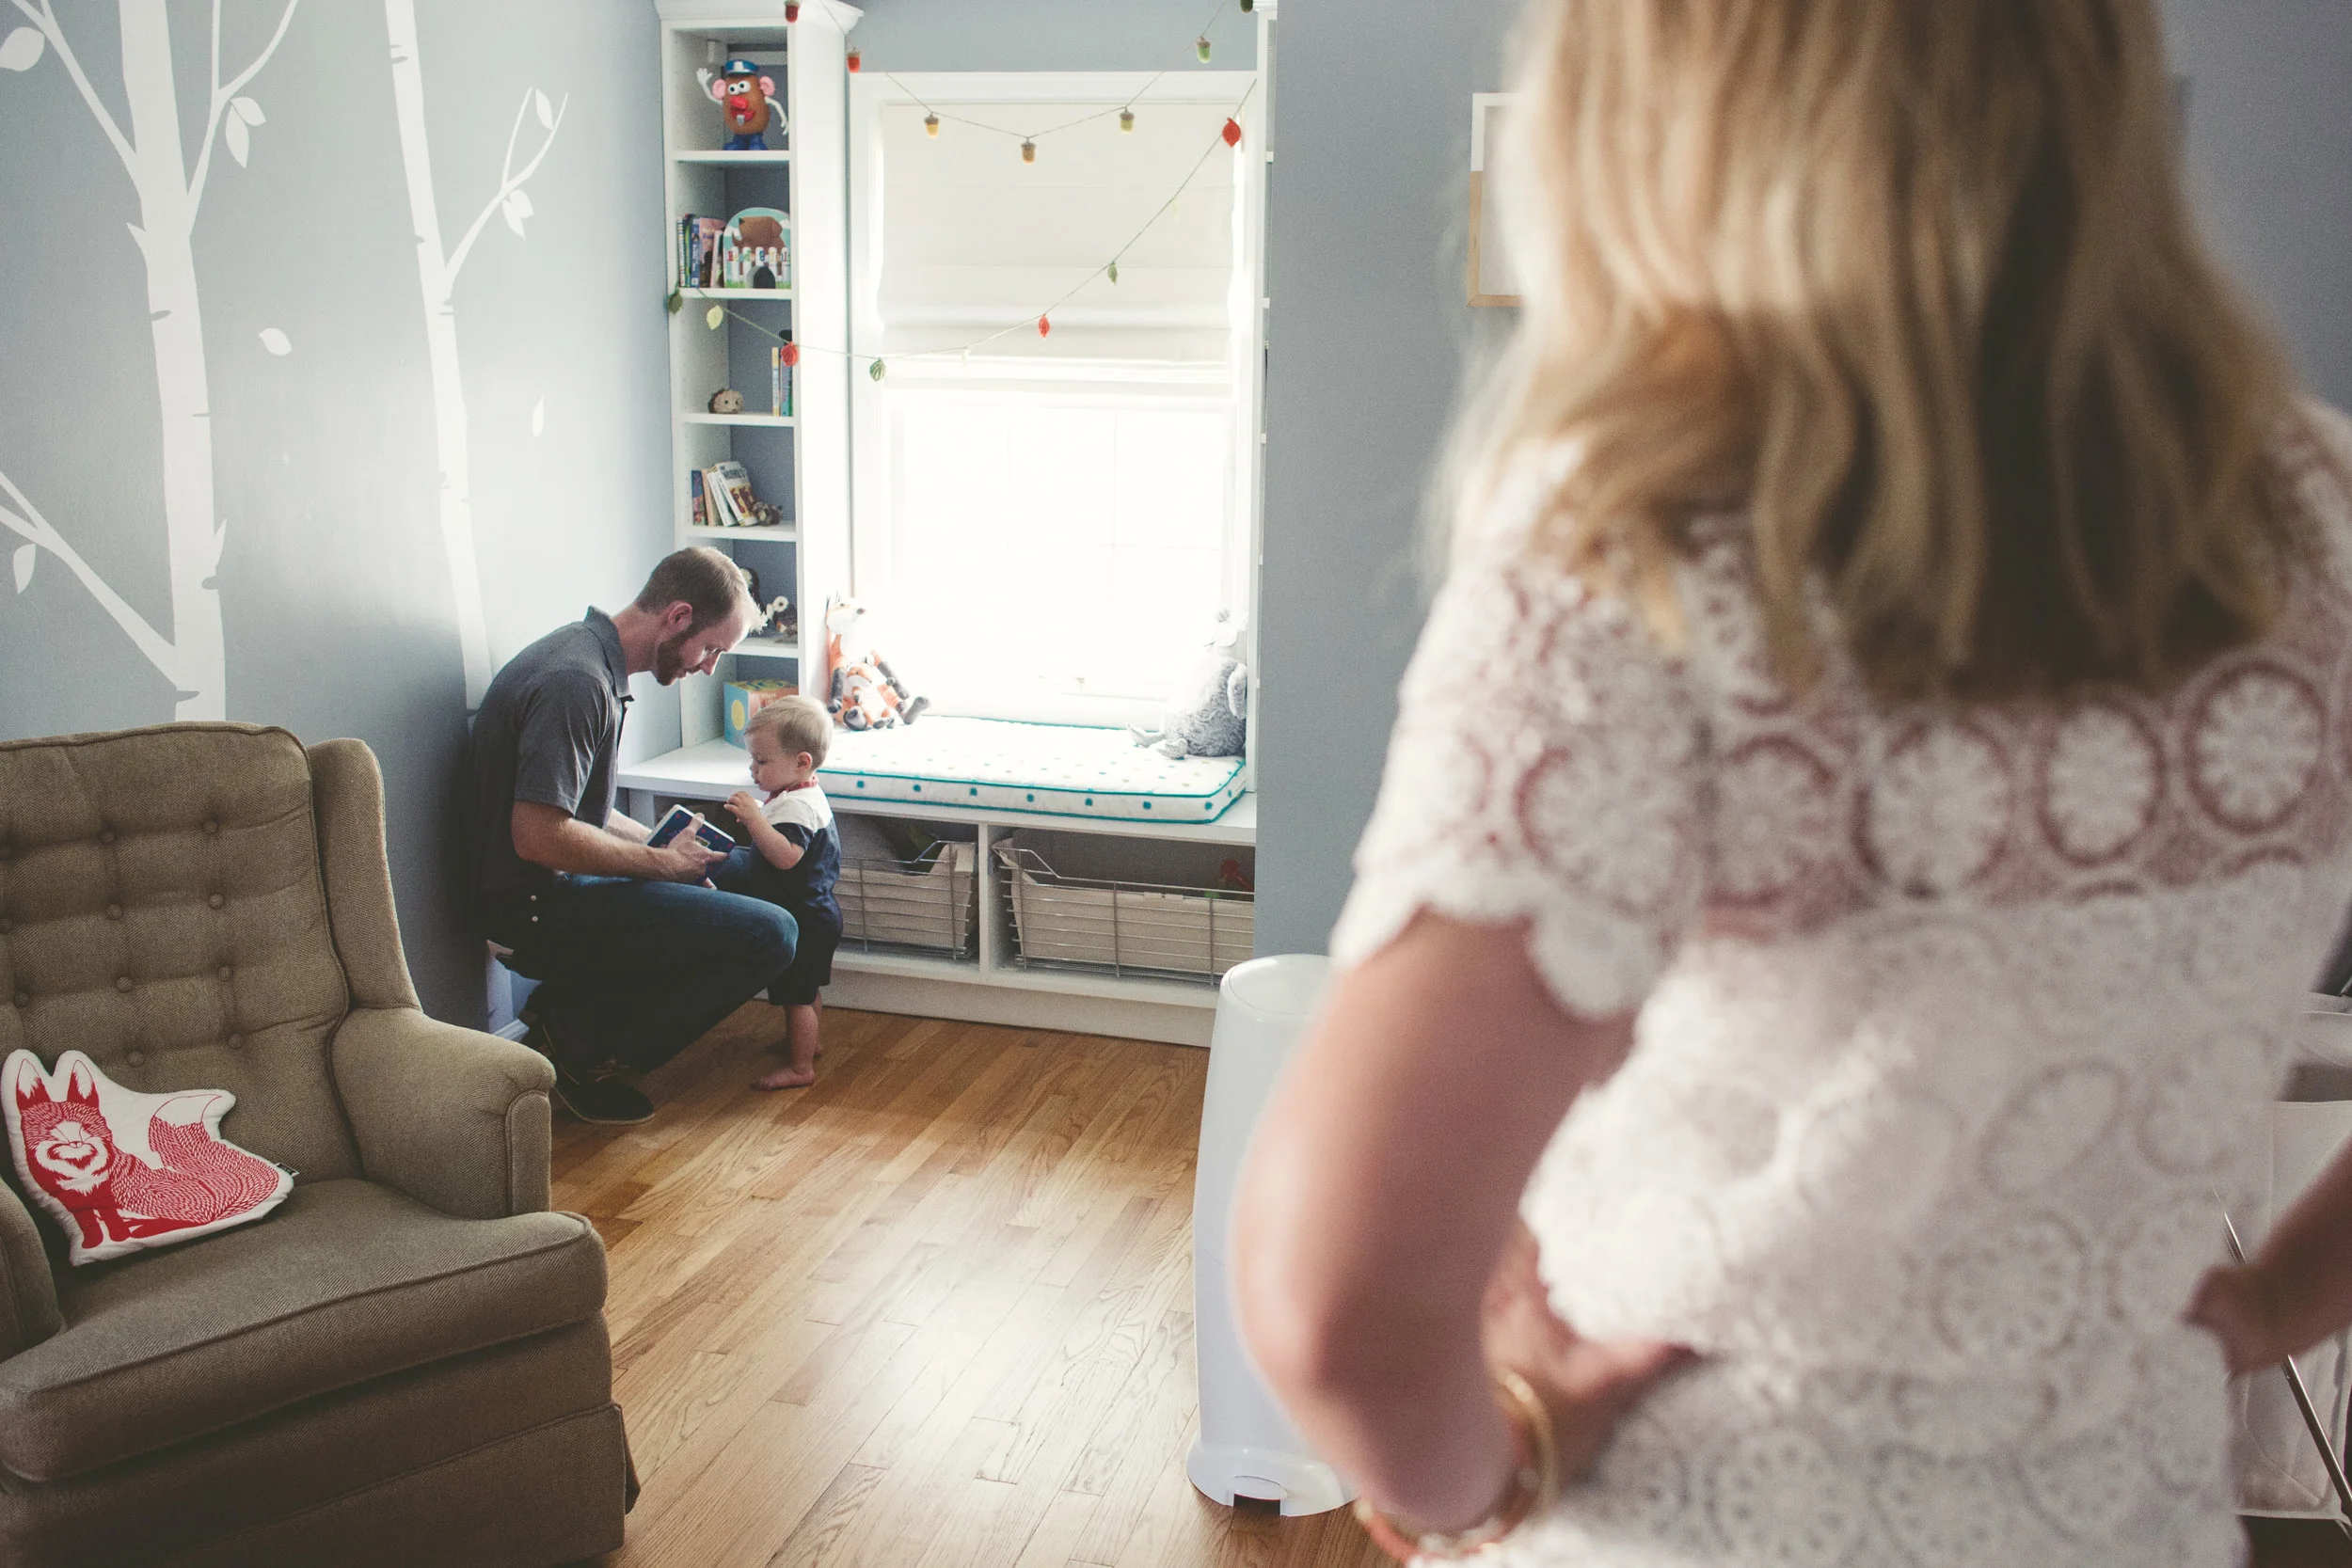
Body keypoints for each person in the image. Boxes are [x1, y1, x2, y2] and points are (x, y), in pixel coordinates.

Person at [1232, 1, 2352, 1564]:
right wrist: (2280, 1300)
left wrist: (1490, 1466)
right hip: (2125, 1520)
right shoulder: (2319, 517)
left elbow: (1333, 1298)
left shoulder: (1659, 539)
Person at [465, 547, 797, 1126]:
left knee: (742, 867)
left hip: (560, 881)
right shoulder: (576, 682)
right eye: (712, 648)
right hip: (532, 907)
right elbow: (539, 836)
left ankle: (575, 1010)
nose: (708, 666)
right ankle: (583, 1044)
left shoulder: (587, 657)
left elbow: (577, 809)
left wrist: (656, 843)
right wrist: (663, 866)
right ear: (678, 617)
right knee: (774, 934)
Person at [716, 695, 842, 1091]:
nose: (753, 769)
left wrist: (754, 822)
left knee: (797, 997)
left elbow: (786, 856)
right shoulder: (797, 795)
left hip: (802, 917)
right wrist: (760, 812)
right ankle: (810, 1042)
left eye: (762, 762)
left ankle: (801, 1067)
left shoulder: (798, 809)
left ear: (801, 762)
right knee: (805, 990)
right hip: (813, 913)